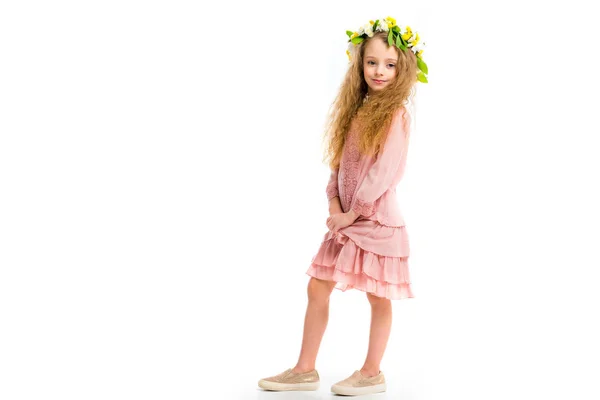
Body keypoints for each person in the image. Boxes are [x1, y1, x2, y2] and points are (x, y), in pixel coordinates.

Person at [258, 16, 428, 396]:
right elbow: (339, 165)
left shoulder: (396, 116)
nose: (379, 71)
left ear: (402, 70)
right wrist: (335, 204)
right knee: (319, 287)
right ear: (359, 64)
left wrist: (352, 213)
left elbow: (384, 173)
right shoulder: (355, 111)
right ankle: (304, 369)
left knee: (379, 296)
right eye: (371, 62)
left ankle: (372, 372)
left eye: (389, 64)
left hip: (376, 222)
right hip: (346, 220)